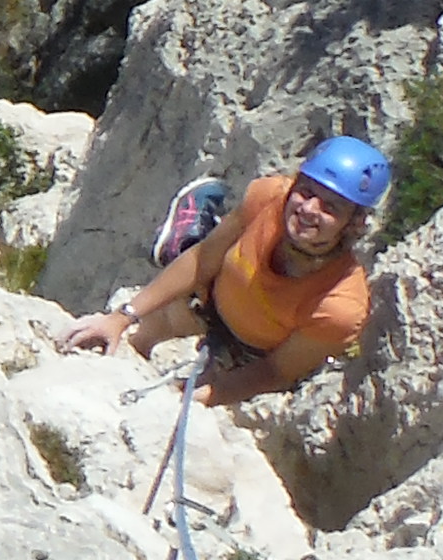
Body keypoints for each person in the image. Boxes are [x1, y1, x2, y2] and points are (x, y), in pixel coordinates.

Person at [59, 135, 393, 404]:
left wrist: (213, 393)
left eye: (330, 207)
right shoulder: (267, 197)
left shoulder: (339, 305)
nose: (308, 209)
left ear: (353, 224)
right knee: (147, 329)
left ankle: (191, 228)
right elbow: (205, 259)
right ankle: (188, 233)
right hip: (212, 300)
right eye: (305, 192)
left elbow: (277, 371)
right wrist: (120, 318)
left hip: (250, 354)